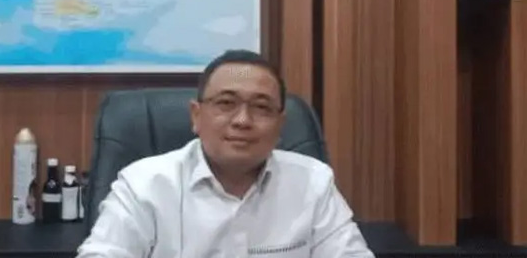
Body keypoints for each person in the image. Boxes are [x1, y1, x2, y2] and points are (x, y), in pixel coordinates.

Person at [77, 50, 374, 258]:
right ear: (196, 116)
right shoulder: (144, 185)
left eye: (261, 107)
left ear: (280, 125)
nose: (242, 120)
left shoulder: (313, 183)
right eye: (226, 103)